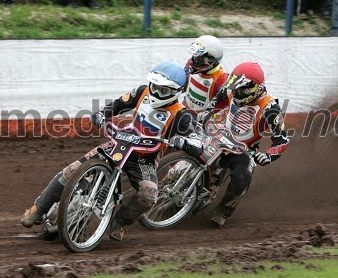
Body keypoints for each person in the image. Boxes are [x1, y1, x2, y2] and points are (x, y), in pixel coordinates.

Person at [20, 61, 204, 242]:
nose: (156, 91)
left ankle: (120, 222)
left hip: (144, 159)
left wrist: (185, 142)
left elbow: (197, 141)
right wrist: (102, 113)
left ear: (176, 92)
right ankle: (38, 209)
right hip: (119, 144)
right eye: (154, 86)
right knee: (70, 171)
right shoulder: (142, 92)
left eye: (163, 90)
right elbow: (117, 104)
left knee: (149, 194)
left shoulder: (182, 115)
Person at [199, 62, 290, 228]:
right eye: (235, 87)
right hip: (218, 133)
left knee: (243, 178)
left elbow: (282, 139)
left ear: (254, 88)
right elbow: (215, 101)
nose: (235, 92)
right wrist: (207, 112)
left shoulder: (270, 107)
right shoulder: (229, 89)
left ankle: (221, 213)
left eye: (240, 89)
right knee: (189, 145)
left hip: (243, 150)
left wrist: (268, 155)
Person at [183, 35, 230, 116]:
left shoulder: (222, 80)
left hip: (202, 122)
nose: (194, 61)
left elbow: (224, 109)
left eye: (200, 58)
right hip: (184, 110)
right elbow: (182, 85)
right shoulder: (190, 64)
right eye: (195, 56)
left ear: (212, 60)